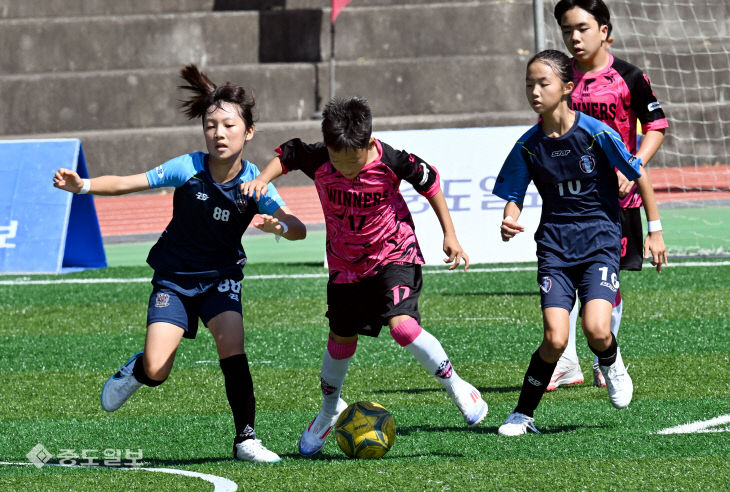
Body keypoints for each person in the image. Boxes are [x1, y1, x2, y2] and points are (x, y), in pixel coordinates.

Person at [53, 65, 306, 462]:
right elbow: (127, 182)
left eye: (228, 125)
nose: (218, 133)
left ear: (248, 132)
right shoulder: (187, 168)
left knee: (232, 344)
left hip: (221, 278)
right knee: (157, 370)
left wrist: (280, 224)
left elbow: (299, 229)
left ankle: (246, 439)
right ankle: (135, 371)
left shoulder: (256, 183)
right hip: (174, 279)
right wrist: (82, 186)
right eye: (210, 125)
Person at [241, 96, 488, 456]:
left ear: (370, 144)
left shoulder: (391, 160)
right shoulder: (321, 157)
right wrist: (262, 179)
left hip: (394, 252)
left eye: (353, 164)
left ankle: (457, 386)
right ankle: (329, 410)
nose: (345, 171)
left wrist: (450, 234)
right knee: (341, 337)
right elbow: (287, 155)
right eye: (338, 163)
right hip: (345, 265)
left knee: (402, 326)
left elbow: (430, 181)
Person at [492, 50, 667, 436]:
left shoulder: (596, 133)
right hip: (555, 247)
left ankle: (611, 362)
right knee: (555, 338)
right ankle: (522, 415)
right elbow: (514, 193)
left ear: (567, 88)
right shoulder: (529, 144)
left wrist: (654, 229)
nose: (534, 91)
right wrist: (510, 217)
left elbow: (638, 174)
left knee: (596, 330)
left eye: (543, 83)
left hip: (599, 242)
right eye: (529, 84)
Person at [547, 0, 670, 391]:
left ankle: (605, 359)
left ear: (604, 30)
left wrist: (630, 167)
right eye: (567, 30)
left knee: (605, 281)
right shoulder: (559, 78)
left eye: (582, 28)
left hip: (617, 203)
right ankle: (566, 364)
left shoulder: (630, 77)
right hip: (570, 200)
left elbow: (656, 125)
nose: (574, 37)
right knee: (563, 278)